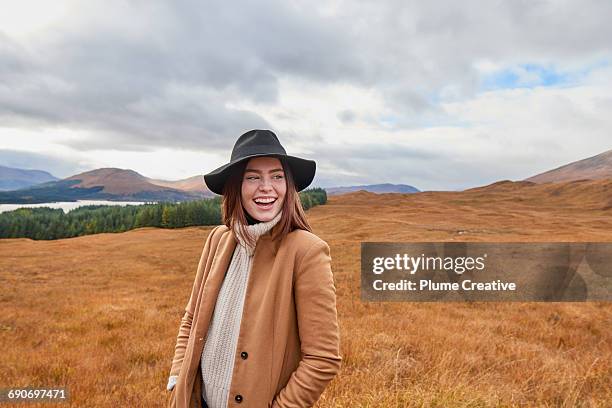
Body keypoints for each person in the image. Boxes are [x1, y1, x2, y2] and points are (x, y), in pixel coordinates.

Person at [166, 129, 342, 408]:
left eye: (276, 176)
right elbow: (191, 319)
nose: (266, 187)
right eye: (253, 177)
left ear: (288, 185)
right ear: (236, 186)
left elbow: (323, 359)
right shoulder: (218, 240)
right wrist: (177, 379)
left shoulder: (306, 251)